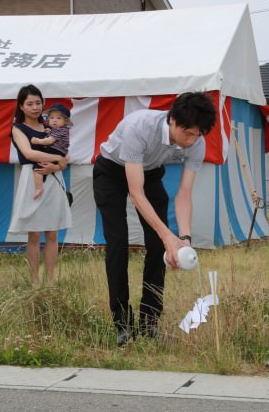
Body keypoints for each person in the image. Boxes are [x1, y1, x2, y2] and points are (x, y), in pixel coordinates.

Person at [93, 92, 217, 346]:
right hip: (111, 170)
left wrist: (183, 239)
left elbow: (184, 194)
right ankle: (122, 324)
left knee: (159, 246)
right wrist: (167, 235)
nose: (191, 140)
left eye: (198, 135)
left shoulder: (196, 143)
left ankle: (149, 322)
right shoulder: (139, 128)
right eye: (187, 133)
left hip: (149, 172)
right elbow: (136, 194)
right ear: (172, 120)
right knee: (118, 243)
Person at [8, 85, 72, 285]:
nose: (35, 107)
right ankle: (35, 281)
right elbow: (29, 154)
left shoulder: (51, 126)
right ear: (21, 106)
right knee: (34, 233)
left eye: (38, 103)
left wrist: (56, 166)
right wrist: (56, 158)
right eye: (30, 103)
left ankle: (50, 280)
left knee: (52, 231)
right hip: (31, 178)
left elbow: (66, 156)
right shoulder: (18, 128)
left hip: (53, 179)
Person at [30, 104, 73, 200]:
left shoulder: (59, 131)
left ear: (65, 121)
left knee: (37, 167)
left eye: (58, 118)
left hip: (54, 151)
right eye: (51, 117)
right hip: (58, 153)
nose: (54, 120)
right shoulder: (58, 130)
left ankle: (38, 188)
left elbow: (49, 141)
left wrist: (37, 141)